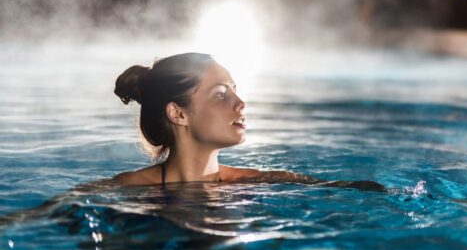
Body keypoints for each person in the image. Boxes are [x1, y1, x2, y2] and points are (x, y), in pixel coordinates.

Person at [112, 52, 383, 190]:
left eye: (234, 90)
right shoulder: (124, 189)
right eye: (220, 94)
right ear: (178, 114)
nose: (240, 103)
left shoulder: (268, 181)